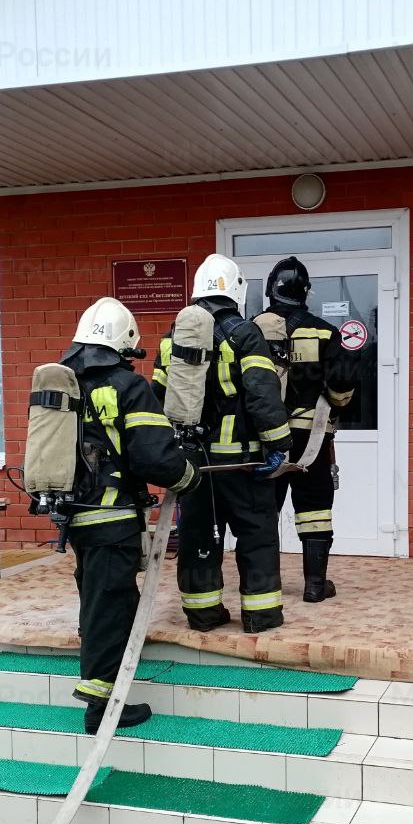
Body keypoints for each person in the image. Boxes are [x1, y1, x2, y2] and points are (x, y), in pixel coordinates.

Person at [60, 297, 200, 733]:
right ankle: (100, 708)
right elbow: (156, 460)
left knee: (98, 598)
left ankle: (102, 685)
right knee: (112, 606)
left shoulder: (65, 384)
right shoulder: (127, 386)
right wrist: (189, 476)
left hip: (75, 515)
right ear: (125, 343)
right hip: (113, 517)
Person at [153, 254, 294, 633]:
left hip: (195, 464)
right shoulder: (246, 334)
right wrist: (279, 444)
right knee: (256, 537)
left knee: (199, 537)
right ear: (236, 290)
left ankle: (203, 615)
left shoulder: (174, 337)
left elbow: (158, 397)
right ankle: (260, 616)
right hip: (243, 464)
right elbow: (263, 396)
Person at [258, 256, 359, 602]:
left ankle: (266, 583)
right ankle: (315, 585)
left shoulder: (250, 331)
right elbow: (342, 385)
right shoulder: (324, 331)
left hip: (264, 439)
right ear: (306, 293)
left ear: (271, 289)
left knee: (263, 511)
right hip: (310, 438)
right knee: (314, 507)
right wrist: (335, 402)